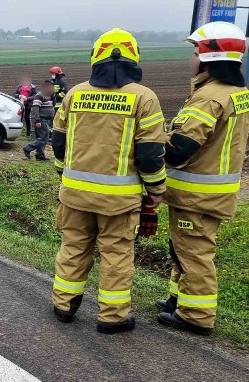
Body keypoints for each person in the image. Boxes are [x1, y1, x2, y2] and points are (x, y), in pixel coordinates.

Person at [51, 28, 167, 334]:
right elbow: (151, 154)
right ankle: (113, 317)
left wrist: (63, 173)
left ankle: (63, 305)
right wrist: (156, 190)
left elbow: (59, 142)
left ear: (96, 57)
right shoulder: (144, 98)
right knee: (116, 256)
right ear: (133, 58)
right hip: (119, 200)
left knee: (73, 247)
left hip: (74, 194)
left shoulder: (75, 94)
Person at [157, 21, 249, 336]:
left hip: (196, 193)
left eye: (196, 51)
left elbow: (179, 149)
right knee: (182, 248)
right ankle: (179, 300)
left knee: (194, 252)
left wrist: (152, 138)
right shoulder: (239, 93)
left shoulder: (209, 98)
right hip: (213, 191)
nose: (192, 58)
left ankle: (196, 315)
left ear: (210, 57)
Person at [22, 80, 54, 161]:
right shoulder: (39, 96)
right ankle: (27, 148)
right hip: (41, 119)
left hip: (45, 120)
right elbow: (35, 109)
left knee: (40, 138)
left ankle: (40, 155)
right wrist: (37, 121)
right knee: (44, 138)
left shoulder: (49, 96)